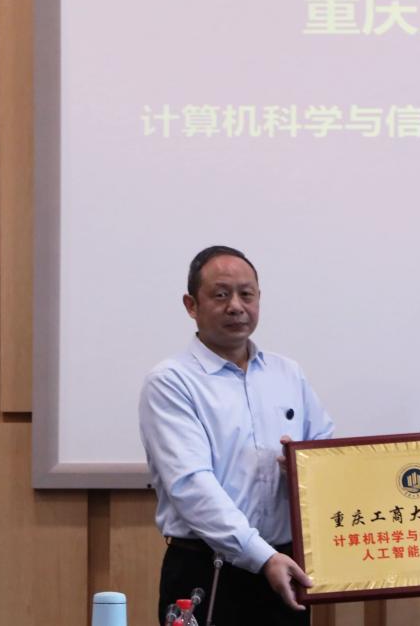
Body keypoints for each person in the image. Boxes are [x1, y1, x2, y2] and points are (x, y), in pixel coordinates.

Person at [139, 245, 334, 626]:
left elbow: (325, 451)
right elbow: (191, 486)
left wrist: (303, 466)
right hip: (206, 568)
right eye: (220, 294)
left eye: (247, 294)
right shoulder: (171, 381)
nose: (236, 306)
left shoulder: (287, 373)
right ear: (191, 305)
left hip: (285, 567)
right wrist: (262, 556)